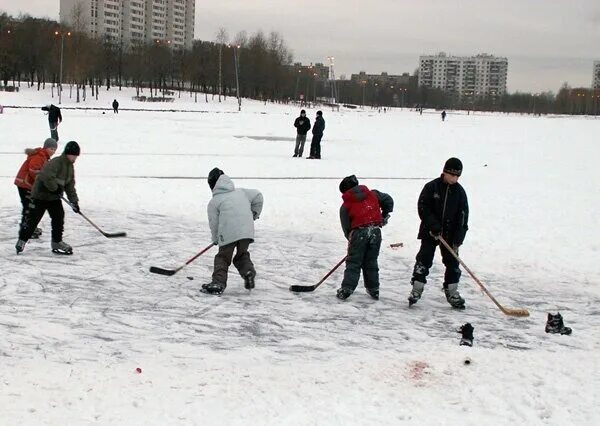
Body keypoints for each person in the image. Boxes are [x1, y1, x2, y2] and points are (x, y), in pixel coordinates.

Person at [408, 157, 469, 309]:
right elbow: (423, 207)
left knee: (453, 263)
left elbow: (463, 217)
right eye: (452, 175)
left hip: (450, 234)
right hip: (430, 231)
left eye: (457, 176)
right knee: (424, 259)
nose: (454, 178)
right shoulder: (431, 187)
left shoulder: (460, 192)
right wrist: (433, 225)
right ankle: (417, 288)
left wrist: (458, 238)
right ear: (445, 172)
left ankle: (452, 291)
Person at [202, 168, 264, 295]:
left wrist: (215, 239)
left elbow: (214, 224)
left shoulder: (214, 202)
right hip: (246, 231)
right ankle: (248, 273)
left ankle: (218, 283)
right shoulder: (242, 192)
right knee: (241, 255)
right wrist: (253, 214)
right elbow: (258, 196)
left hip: (228, 233)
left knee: (223, 258)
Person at [15, 141, 81, 255]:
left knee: (59, 217)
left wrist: (74, 202)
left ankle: (57, 242)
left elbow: (70, 186)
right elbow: (46, 177)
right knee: (33, 219)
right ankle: (22, 240)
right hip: (40, 195)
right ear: (67, 154)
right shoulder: (56, 163)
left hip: (53, 198)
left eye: (76, 156)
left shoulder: (70, 168)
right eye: (73, 155)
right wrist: (55, 188)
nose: (74, 158)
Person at [336, 175, 394, 300]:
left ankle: (347, 289)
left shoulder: (345, 206)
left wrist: (353, 243)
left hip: (359, 233)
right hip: (375, 232)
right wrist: (384, 215)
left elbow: (346, 228)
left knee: (354, 262)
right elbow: (388, 200)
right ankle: (374, 289)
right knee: (371, 261)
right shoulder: (373, 194)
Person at [14, 138, 58, 238]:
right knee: (29, 207)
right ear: (46, 148)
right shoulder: (40, 156)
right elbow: (33, 170)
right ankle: (26, 229)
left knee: (32, 206)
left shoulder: (44, 157)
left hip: (28, 184)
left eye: (54, 150)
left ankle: (30, 227)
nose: (53, 152)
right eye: (51, 149)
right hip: (24, 184)